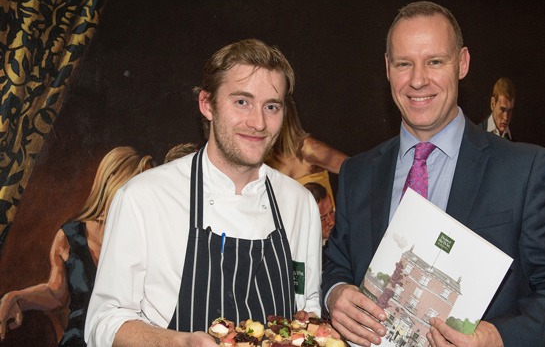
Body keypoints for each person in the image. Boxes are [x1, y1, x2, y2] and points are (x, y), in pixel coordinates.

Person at [321, 1, 545, 347]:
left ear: (462, 63)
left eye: (435, 61)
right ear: (388, 68)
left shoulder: (523, 170)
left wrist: (496, 337)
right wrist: (336, 294)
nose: (418, 80)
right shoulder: (356, 173)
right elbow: (337, 265)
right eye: (404, 64)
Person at [85, 39, 322, 346]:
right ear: (207, 104)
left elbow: (307, 307)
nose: (258, 122)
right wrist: (180, 343)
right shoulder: (144, 196)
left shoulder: (299, 203)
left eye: (271, 107)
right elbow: (104, 322)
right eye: (242, 102)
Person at [0, 146, 154, 346]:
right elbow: (56, 294)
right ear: (113, 182)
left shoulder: (148, 238)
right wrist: (15, 298)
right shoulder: (70, 236)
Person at [264, 96, 348, 205]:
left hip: (325, 221)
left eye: (271, 108)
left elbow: (360, 171)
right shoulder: (258, 161)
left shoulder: (310, 149)